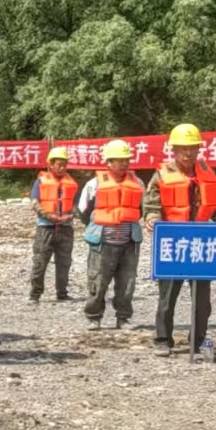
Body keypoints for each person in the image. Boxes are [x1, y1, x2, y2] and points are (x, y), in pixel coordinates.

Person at [145, 123, 216, 357]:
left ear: (198, 149)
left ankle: (198, 340)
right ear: (173, 150)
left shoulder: (208, 174)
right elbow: (151, 206)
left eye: (192, 148)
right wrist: (153, 219)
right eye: (182, 149)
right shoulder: (161, 175)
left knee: (202, 299)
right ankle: (163, 339)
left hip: (201, 244)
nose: (187, 153)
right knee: (167, 296)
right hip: (173, 243)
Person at [79, 139, 145, 331]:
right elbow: (83, 211)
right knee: (98, 281)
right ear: (108, 162)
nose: (124, 164)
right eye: (119, 160)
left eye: (126, 160)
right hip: (102, 243)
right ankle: (94, 317)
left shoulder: (138, 183)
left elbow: (142, 209)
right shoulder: (93, 184)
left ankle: (123, 317)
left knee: (127, 283)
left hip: (129, 242)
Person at [29, 147, 80, 302]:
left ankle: (62, 293)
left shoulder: (72, 183)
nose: (62, 168)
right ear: (50, 164)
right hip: (45, 227)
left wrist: (71, 215)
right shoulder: (40, 181)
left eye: (64, 164)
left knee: (64, 262)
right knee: (40, 261)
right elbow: (35, 203)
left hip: (66, 228)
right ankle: (35, 294)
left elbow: (77, 205)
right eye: (59, 164)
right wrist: (47, 215)